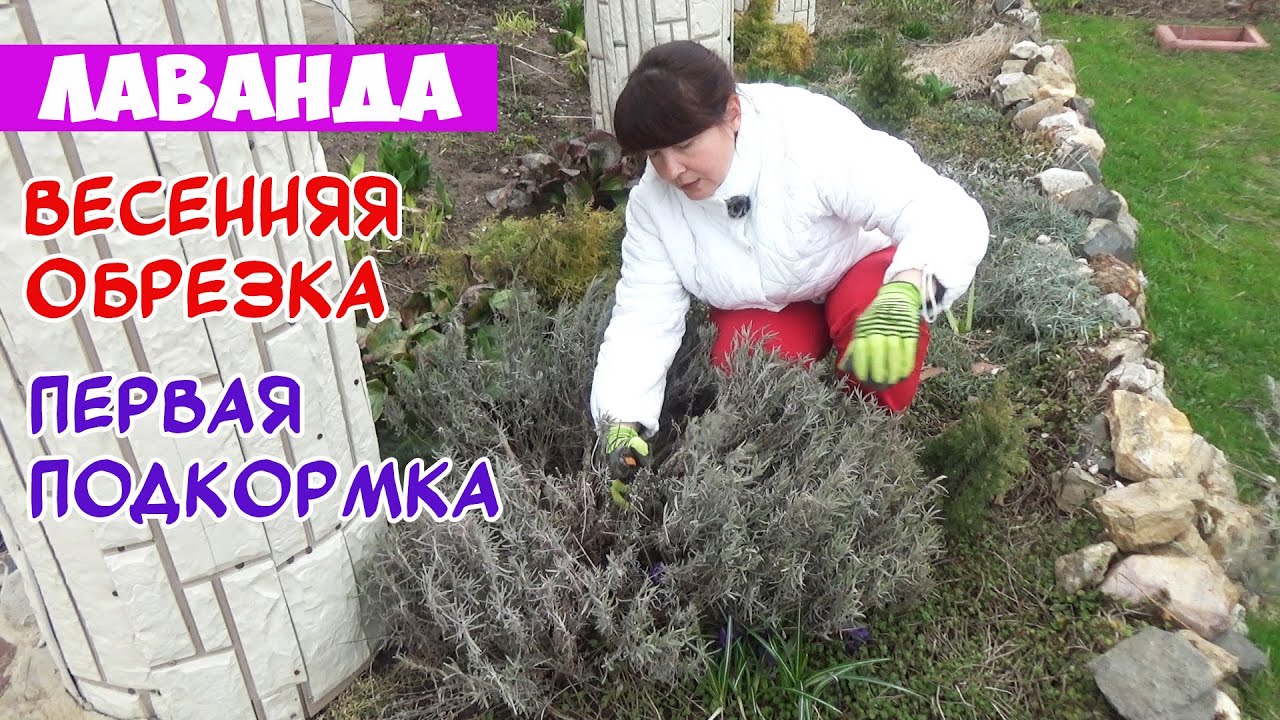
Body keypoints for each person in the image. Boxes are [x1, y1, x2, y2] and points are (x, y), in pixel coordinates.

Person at [590, 40, 990, 492]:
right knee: (740, 356)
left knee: (873, 324)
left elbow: (941, 208)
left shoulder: (807, 136)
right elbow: (643, 318)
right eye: (654, 155)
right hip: (776, 303)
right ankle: (795, 462)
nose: (671, 171)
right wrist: (621, 420)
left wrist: (911, 287)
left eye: (684, 145)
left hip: (852, 268)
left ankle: (869, 444)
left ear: (733, 114)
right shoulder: (654, 204)